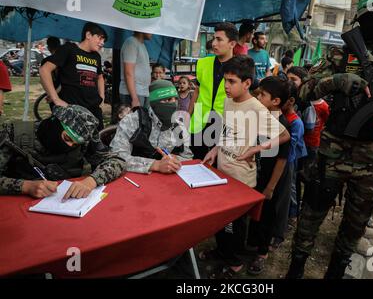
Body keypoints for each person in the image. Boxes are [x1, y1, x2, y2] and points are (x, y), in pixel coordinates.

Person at [286, 0, 373, 279]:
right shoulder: (340, 52)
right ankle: (296, 268)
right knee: (311, 214)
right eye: (372, 16)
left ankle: (336, 270)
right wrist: (338, 81)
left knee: (355, 224)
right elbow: (303, 90)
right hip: (333, 151)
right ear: (361, 19)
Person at [200, 55, 290, 278]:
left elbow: (285, 135)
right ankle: (222, 251)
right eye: (225, 80)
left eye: (231, 81)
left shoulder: (256, 108)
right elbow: (226, 130)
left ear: (247, 83)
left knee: (235, 225)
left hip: (241, 180)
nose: (226, 86)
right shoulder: (229, 101)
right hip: (222, 171)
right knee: (221, 220)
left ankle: (234, 262)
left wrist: (258, 148)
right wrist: (215, 149)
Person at [0, 105, 126, 199]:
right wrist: (25, 187)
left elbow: (117, 161)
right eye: (67, 138)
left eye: (75, 144)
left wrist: (91, 181)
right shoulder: (14, 134)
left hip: (67, 203)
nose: (70, 145)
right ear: (55, 124)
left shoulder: (85, 141)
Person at [245, 77, 292, 275]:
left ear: (276, 101)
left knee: (267, 216)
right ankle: (252, 243)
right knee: (255, 215)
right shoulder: (260, 118)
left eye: (262, 94)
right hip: (256, 176)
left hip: (271, 181)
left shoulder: (282, 126)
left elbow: (281, 160)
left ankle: (262, 253)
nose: (257, 96)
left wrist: (271, 187)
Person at [110, 79, 193, 174]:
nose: (173, 104)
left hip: (167, 181)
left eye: (175, 99)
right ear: (155, 102)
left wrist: (175, 159)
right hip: (134, 180)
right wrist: (155, 165)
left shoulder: (179, 125)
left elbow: (188, 157)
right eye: (168, 100)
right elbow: (116, 156)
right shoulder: (134, 120)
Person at [40, 22, 108, 130]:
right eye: (100, 38)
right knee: (71, 144)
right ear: (88, 35)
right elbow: (44, 70)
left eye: (103, 40)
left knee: (97, 144)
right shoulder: (69, 49)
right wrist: (56, 99)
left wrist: (102, 98)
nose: (102, 43)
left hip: (94, 110)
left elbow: (99, 77)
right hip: (72, 110)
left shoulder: (96, 57)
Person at [188, 22, 238, 160]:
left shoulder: (240, 68)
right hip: (199, 121)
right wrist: (187, 116)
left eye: (219, 39)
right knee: (196, 162)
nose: (214, 44)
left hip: (223, 123)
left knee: (219, 165)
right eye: (214, 38)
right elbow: (197, 92)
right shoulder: (203, 63)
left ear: (232, 44)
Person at [281, 82, 307, 233]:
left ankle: (292, 215)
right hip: (285, 159)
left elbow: (290, 146)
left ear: (290, 101)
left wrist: (285, 163)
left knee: (291, 188)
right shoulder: (282, 116)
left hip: (291, 160)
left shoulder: (296, 122)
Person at [119, 31, 152, 108]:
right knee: (135, 119)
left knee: (143, 119)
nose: (152, 32)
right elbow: (128, 72)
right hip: (133, 94)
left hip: (143, 92)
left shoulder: (142, 45)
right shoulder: (131, 43)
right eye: (150, 29)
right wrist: (134, 98)